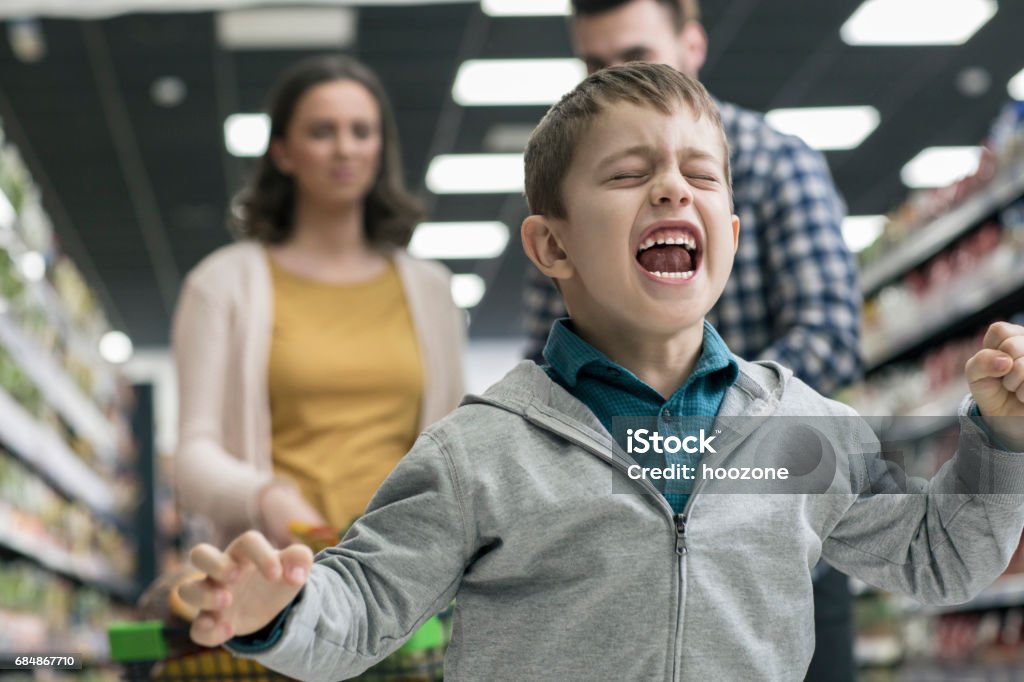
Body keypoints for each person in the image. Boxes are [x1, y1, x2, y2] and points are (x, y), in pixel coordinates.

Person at [178, 64, 1024, 681]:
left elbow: (937, 556)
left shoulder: (798, 432)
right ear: (553, 245)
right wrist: (279, 613)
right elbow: (361, 604)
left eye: (699, 174)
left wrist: (1004, 441)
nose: (671, 190)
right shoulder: (484, 452)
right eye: (628, 174)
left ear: (729, 229)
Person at [521, 1, 863, 675]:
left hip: (779, 519)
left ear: (694, 45)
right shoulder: (572, 191)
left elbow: (830, 332)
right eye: (594, 63)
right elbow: (549, 356)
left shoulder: (773, 162)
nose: (611, 77)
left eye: (636, 56)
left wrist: (701, 420)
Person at [172, 55, 465, 550]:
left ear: (380, 148)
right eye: (321, 132)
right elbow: (192, 455)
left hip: (410, 582)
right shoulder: (222, 285)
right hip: (278, 576)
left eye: (361, 131)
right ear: (283, 153)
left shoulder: (431, 289)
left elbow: (458, 442)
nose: (345, 148)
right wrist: (265, 497)